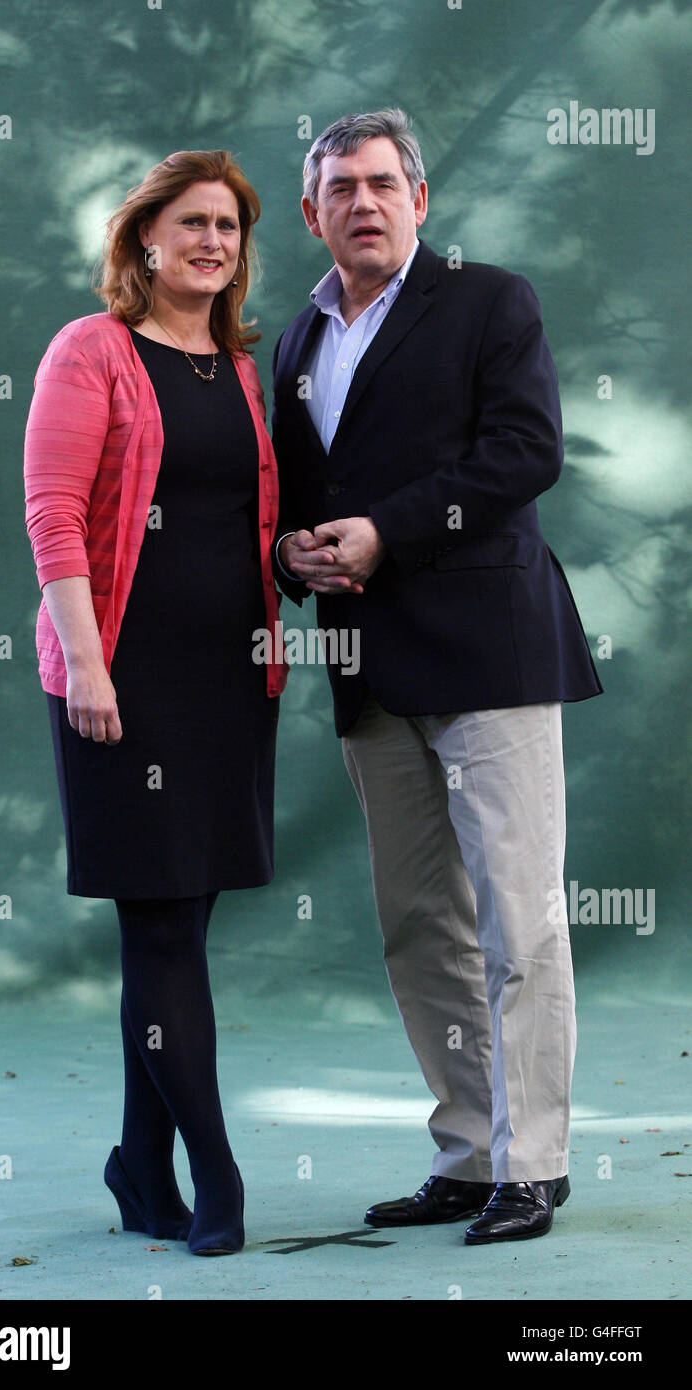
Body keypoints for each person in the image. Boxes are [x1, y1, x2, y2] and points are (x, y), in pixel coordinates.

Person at [271, 108, 603, 1244]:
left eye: (380, 183)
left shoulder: (487, 299)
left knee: (518, 917)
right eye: (338, 189)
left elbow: (523, 451)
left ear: (420, 199)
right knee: (420, 923)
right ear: (311, 212)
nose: (361, 203)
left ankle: (534, 1164)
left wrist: (382, 533)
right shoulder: (295, 339)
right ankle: (467, 1154)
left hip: (490, 651)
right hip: (368, 668)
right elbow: (297, 493)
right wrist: (291, 550)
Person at [23, 149, 287, 1257]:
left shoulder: (233, 363)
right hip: (122, 687)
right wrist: (88, 667)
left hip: (231, 679)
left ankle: (139, 1166)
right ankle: (214, 1174)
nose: (211, 243)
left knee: (183, 920)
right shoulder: (90, 349)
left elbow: (251, 514)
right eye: (190, 224)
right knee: (162, 926)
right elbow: (53, 513)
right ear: (143, 238)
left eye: (226, 226)